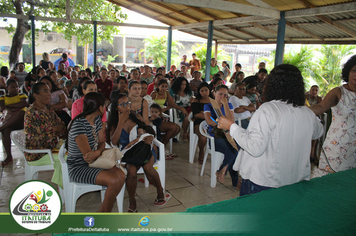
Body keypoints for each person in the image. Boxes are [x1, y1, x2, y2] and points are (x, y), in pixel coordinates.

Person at [217, 64, 324, 196]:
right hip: (295, 181)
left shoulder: (268, 110)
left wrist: (231, 127)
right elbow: (319, 132)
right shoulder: (306, 112)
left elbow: (255, 147)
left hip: (264, 182)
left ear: (272, 84)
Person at [108, 92, 169, 212]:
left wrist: (150, 137)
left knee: (148, 167)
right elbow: (114, 141)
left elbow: (149, 129)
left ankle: (160, 192)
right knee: (131, 170)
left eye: (128, 103)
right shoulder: (114, 122)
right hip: (129, 153)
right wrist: (121, 121)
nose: (127, 106)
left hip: (145, 148)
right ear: (116, 107)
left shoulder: (135, 116)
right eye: (122, 104)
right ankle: (132, 200)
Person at [67, 92, 125, 212]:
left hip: (95, 161)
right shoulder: (79, 124)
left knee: (121, 175)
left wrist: (98, 151)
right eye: (104, 105)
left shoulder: (97, 120)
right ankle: (104, 215)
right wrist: (98, 151)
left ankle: (100, 214)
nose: (105, 107)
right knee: (113, 180)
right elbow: (88, 156)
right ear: (100, 107)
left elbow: (102, 142)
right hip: (79, 167)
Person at [310, 55, 356, 176]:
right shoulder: (339, 92)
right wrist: (301, 111)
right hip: (338, 149)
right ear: (348, 72)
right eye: (354, 70)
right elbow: (321, 107)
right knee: (331, 185)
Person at [204, 84, 238, 186]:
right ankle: (235, 181)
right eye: (220, 94)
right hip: (215, 137)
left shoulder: (229, 105)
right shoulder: (208, 105)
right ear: (214, 93)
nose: (222, 97)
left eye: (225, 95)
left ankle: (223, 169)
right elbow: (209, 121)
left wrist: (226, 105)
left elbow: (231, 121)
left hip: (227, 135)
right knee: (234, 150)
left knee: (237, 148)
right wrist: (223, 122)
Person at [24, 82, 66, 162]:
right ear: (36, 95)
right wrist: (55, 129)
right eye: (45, 91)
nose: (49, 94)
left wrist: (55, 128)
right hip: (38, 153)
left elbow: (61, 126)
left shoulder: (48, 109)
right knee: (70, 159)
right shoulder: (31, 112)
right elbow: (39, 134)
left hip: (52, 148)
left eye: (49, 91)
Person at [0, 79, 28, 165]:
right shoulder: (3, 97)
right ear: (7, 88)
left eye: (16, 86)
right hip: (10, 122)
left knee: (21, 112)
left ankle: (1, 128)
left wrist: (9, 106)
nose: (15, 89)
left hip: (21, 121)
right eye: (12, 87)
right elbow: (2, 108)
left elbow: (24, 104)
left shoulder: (22, 95)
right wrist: (16, 106)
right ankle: (9, 156)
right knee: (6, 130)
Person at [150, 79, 180, 158]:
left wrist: (163, 110)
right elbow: (150, 107)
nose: (164, 88)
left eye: (166, 86)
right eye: (162, 86)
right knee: (173, 127)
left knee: (178, 128)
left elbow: (171, 104)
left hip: (161, 115)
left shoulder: (167, 93)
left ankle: (162, 146)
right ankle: (162, 147)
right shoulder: (154, 94)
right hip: (154, 117)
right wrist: (159, 112)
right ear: (158, 86)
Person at [191, 82, 210, 164]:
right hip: (199, 122)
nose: (204, 92)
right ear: (199, 92)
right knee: (203, 136)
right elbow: (196, 115)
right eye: (202, 91)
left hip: (212, 122)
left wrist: (204, 113)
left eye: (206, 90)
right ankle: (201, 151)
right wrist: (208, 115)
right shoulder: (196, 101)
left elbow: (216, 114)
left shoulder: (213, 101)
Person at [169, 77, 193, 142]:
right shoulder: (172, 91)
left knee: (191, 116)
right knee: (186, 117)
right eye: (182, 84)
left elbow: (191, 102)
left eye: (185, 84)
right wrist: (181, 108)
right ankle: (185, 132)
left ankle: (187, 132)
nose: (183, 86)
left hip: (188, 108)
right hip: (176, 108)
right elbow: (171, 103)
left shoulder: (188, 92)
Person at [305, 85, 323, 165]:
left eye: (316, 90)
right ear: (310, 90)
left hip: (315, 117)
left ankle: (313, 153)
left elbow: (319, 109)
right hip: (305, 116)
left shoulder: (319, 99)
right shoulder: (305, 96)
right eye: (313, 89)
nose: (314, 91)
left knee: (316, 129)